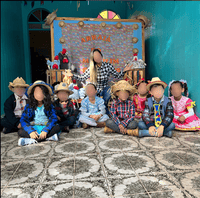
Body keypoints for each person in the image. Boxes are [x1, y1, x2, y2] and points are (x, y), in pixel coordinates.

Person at [71, 49, 131, 113]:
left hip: (105, 87)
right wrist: (72, 75)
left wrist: (124, 70)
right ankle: (94, 113)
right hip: (96, 88)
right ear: (93, 59)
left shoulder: (108, 66)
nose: (97, 57)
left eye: (98, 55)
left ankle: (105, 112)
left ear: (101, 56)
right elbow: (82, 77)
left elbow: (117, 75)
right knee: (92, 98)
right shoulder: (91, 68)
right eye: (95, 56)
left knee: (108, 93)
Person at [18, 81, 60, 146]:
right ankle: (47, 138)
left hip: (46, 127)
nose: (39, 94)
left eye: (41, 92)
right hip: (34, 127)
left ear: (45, 94)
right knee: (20, 131)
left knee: (57, 127)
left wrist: (46, 130)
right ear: (33, 94)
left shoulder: (50, 105)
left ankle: (30, 140)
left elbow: (53, 118)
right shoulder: (29, 106)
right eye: (37, 92)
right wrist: (30, 131)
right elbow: (23, 119)